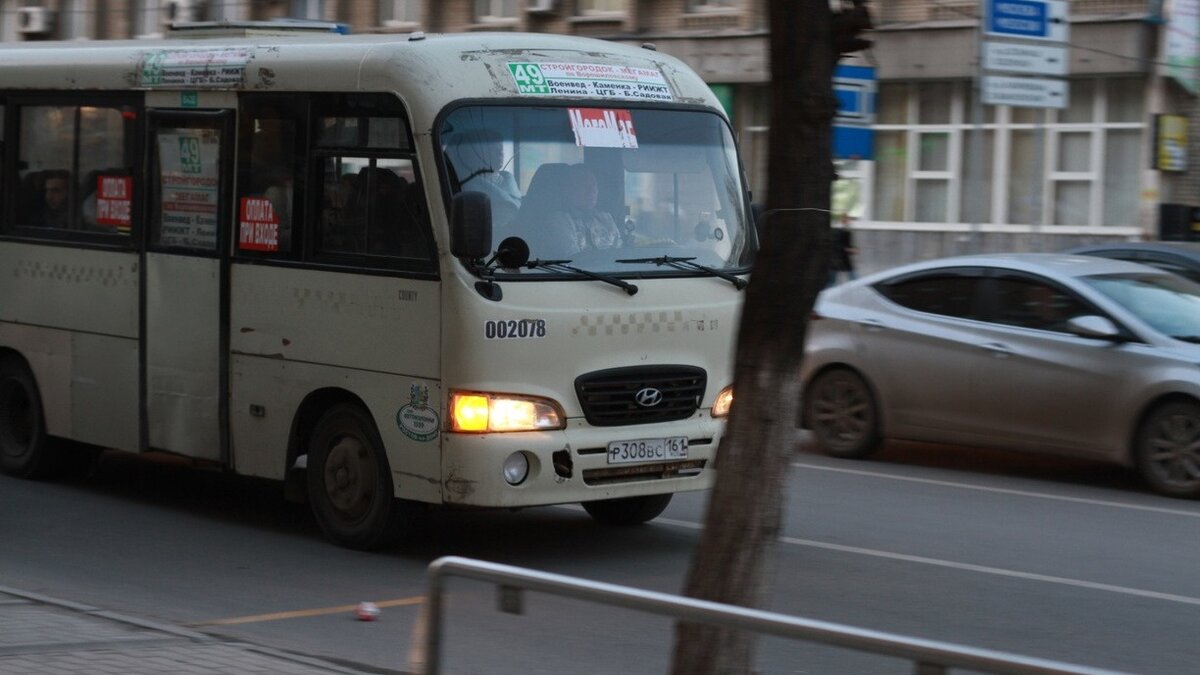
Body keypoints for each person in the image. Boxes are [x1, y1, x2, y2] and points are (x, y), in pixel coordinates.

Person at [541, 163, 622, 259]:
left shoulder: (606, 218)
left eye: (594, 185)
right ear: (568, 190)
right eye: (583, 185)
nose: (591, 190)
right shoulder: (558, 220)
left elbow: (619, 254)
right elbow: (573, 260)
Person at [445, 129, 522, 226]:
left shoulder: (508, 178)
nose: (500, 152)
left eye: (501, 147)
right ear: (476, 152)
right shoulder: (465, 186)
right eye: (493, 148)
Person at [828, 213, 858, 286]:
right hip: (840, 259)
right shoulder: (843, 231)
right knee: (854, 279)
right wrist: (851, 250)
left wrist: (851, 249)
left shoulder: (837, 230)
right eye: (847, 219)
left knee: (832, 282)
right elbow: (841, 246)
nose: (848, 221)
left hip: (837, 260)